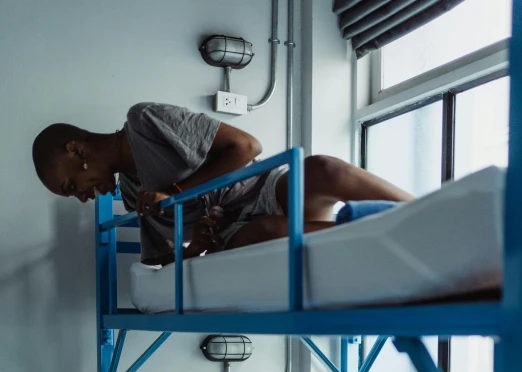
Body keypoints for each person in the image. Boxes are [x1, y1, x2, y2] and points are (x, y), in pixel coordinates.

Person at [32, 102, 412, 266]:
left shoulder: (145, 121)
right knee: (263, 231)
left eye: (71, 186)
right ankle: (370, 228)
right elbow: (162, 257)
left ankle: (422, 212)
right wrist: (195, 247)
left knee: (322, 168)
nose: (82, 197)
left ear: (75, 149)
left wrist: (178, 194)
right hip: (233, 231)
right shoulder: (132, 196)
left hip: (260, 187)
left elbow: (247, 147)